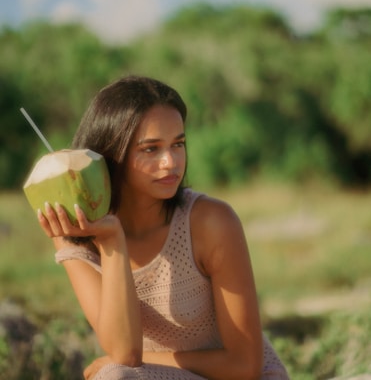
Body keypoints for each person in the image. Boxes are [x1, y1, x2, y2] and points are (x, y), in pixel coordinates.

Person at [37, 75, 289, 380]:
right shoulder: (78, 236)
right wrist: (112, 241)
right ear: (110, 154)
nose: (171, 162)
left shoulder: (210, 222)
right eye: (150, 149)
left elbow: (244, 366)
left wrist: (140, 362)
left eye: (178, 144)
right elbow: (125, 353)